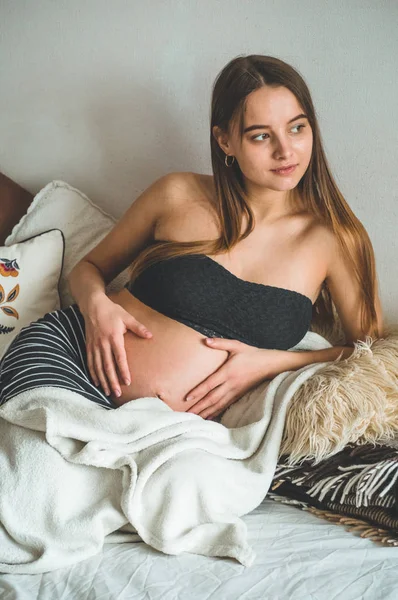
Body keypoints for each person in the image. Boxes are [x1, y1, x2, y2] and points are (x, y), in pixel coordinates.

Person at [0, 55, 384, 421]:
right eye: (260, 136)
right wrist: (97, 308)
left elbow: (371, 353)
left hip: (173, 429)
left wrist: (273, 361)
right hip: (67, 355)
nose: (286, 151)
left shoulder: (335, 241)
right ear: (225, 141)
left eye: (297, 128)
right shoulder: (176, 193)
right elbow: (89, 268)